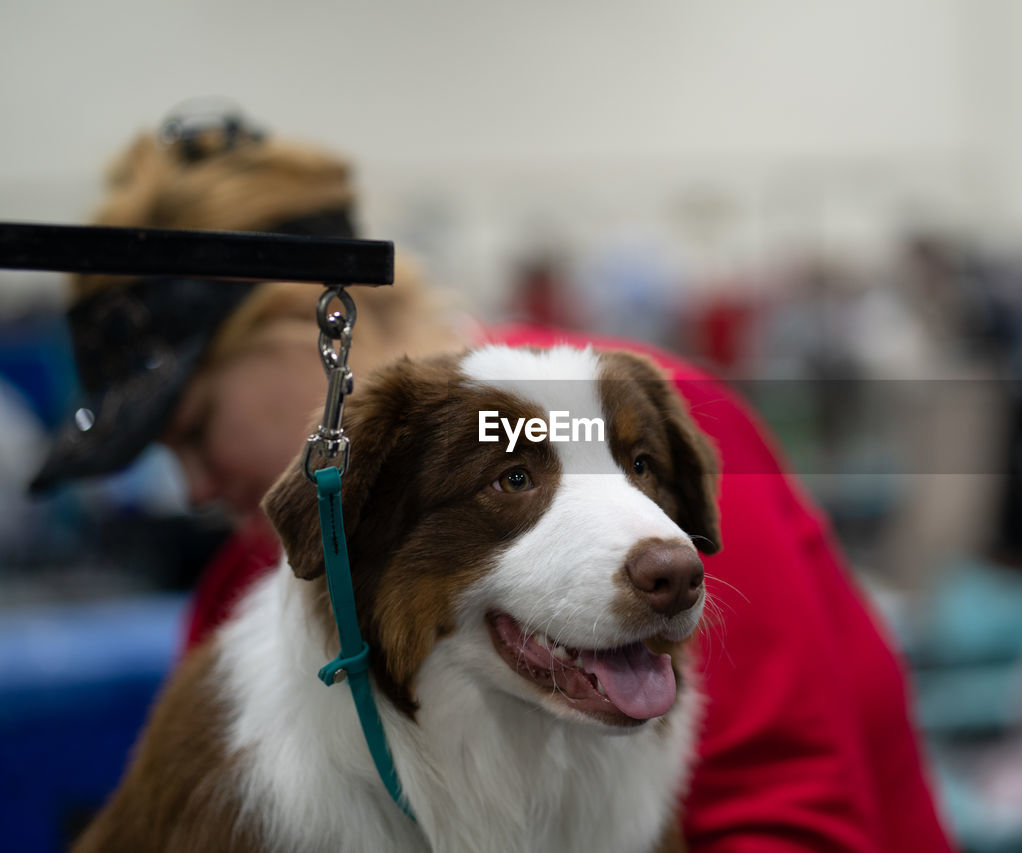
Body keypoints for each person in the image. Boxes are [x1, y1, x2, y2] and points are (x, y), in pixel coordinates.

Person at [34, 108, 953, 852]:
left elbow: (796, 820)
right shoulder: (240, 605)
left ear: (303, 328)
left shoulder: (633, 424)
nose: (191, 484)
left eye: (192, 427)